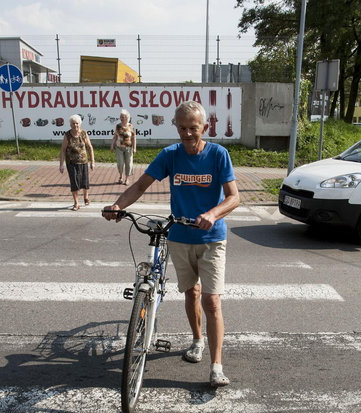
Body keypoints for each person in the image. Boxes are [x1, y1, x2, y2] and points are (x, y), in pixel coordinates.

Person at [103, 100, 239, 387]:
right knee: (191, 293)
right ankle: (197, 340)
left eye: (194, 128)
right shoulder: (171, 155)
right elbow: (140, 186)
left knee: (211, 301)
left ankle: (216, 366)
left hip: (212, 238)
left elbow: (234, 197)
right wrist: (117, 205)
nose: (188, 134)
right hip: (179, 237)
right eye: (183, 128)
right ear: (176, 127)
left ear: (205, 127)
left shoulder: (218, 154)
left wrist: (212, 214)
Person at [59, 114, 95, 210]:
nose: (75, 125)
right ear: (70, 125)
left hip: (83, 161)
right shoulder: (67, 135)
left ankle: (86, 197)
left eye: (77, 123)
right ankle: (76, 203)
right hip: (71, 163)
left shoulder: (84, 133)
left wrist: (92, 162)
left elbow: (89, 147)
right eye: (73, 123)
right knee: (74, 182)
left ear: (80, 124)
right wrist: (61, 164)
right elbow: (63, 150)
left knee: (85, 181)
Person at [110, 109, 136, 184]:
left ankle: (127, 179)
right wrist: (112, 145)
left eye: (123, 117)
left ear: (127, 117)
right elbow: (115, 136)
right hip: (119, 148)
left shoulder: (131, 126)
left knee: (129, 164)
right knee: (120, 163)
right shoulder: (118, 126)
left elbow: (134, 138)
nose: (121, 118)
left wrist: (134, 148)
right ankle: (121, 176)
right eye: (120, 117)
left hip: (128, 148)